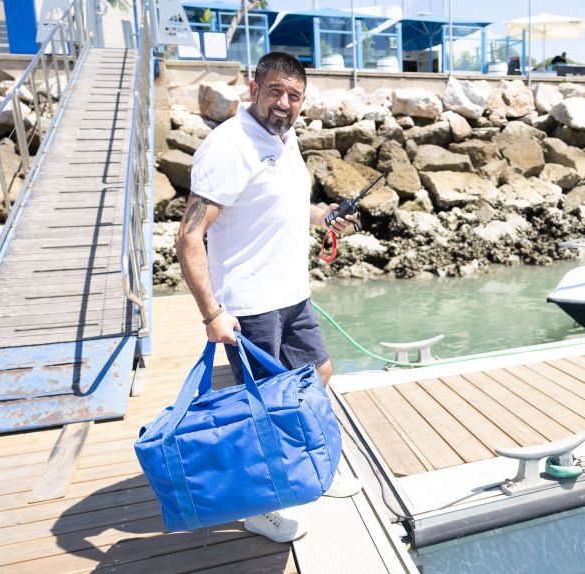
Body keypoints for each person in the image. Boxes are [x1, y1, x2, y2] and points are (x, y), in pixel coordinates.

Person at [175, 51, 361, 544]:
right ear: (253, 89)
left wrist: (324, 218)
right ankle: (263, 505)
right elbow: (189, 237)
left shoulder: (283, 137)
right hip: (249, 304)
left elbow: (284, 204)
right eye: (275, 91)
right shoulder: (229, 146)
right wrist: (212, 313)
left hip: (291, 294)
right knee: (262, 407)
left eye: (294, 95)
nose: (284, 102)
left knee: (317, 375)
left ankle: (307, 470)